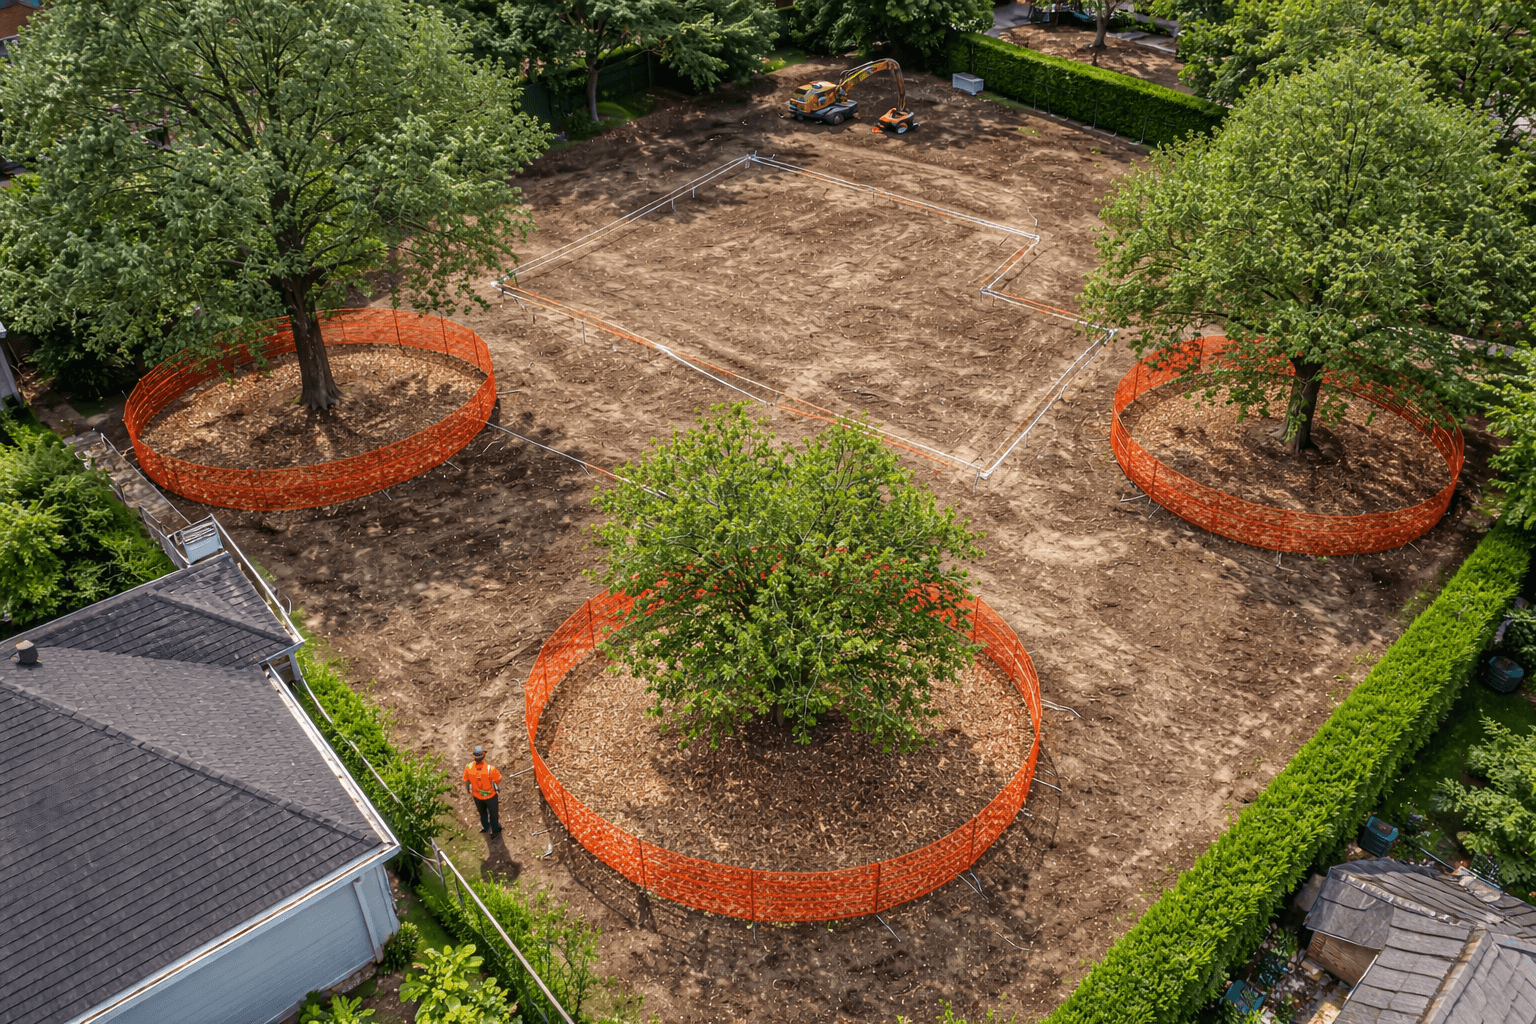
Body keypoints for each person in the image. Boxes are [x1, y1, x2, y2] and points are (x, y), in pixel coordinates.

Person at [462, 745, 502, 835]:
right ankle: (495, 829)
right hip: (490, 796)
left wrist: (468, 790)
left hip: (477, 796)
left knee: (482, 813)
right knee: (493, 814)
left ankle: (485, 827)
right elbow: (498, 779)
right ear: (483, 756)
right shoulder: (490, 769)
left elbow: (466, 781)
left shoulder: (468, 767)